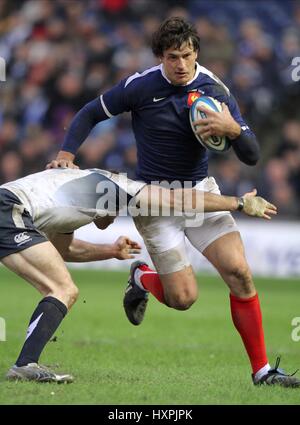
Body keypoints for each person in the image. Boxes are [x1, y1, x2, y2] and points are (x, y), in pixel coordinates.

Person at [47, 17, 300, 387]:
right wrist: (66, 153)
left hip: (200, 194)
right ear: (160, 57)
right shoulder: (140, 86)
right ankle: (143, 276)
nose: (181, 64)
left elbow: (252, 155)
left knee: (240, 273)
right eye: (172, 57)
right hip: (156, 201)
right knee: (183, 299)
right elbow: (89, 113)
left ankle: (262, 371)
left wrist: (233, 130)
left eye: (187, 55)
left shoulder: (214, 90)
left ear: (196, 52)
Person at [1, 166, 274, 383]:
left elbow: (63, 249)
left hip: (12, 211)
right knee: (62, 289)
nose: (111, 220)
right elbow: (177, 199)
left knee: (60, 287)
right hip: (10, 210)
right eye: (116, 212)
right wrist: (238, 203)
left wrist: (110, 251)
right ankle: (25, 365)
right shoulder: (115, 187)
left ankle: (26, 363)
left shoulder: (73, 197)